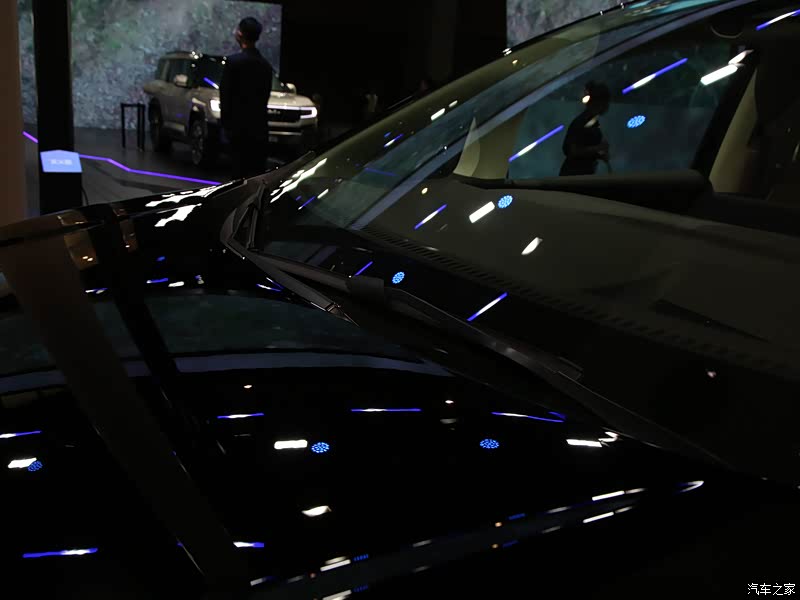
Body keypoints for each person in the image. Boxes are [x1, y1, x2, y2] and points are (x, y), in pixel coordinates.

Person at [220, 17, 274, 180]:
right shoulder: (266, 66)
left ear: (240, 34)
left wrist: (226, 126)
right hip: (259, 130)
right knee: (257, 178)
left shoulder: (233, 62)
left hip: (237, 131)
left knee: (237, 177)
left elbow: (226, 96)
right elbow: (264, 97)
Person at [560, 81, 611, 176]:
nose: (608, 106)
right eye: (606, 102)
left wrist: (599, 154)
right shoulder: (583, 122)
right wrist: (598, 148)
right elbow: (572, 150)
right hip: (575, 176)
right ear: (600, 102)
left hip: (579, 175)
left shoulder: (591, 122)